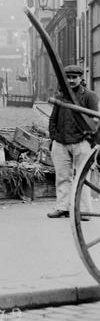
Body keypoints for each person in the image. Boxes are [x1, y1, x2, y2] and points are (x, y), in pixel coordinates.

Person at [47, 65, 98, 220]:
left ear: (81, 78)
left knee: (83, 177)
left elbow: (95, 120)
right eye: (68, 78)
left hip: (81, 142)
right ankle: (63, 207)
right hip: (61, 143)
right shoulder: (61, 96)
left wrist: (87, 138)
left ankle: (84, 211)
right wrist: (54, 135)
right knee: (62, 176)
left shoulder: (90, 96)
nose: (70, 81)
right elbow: (53, 118)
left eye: (74, 77)